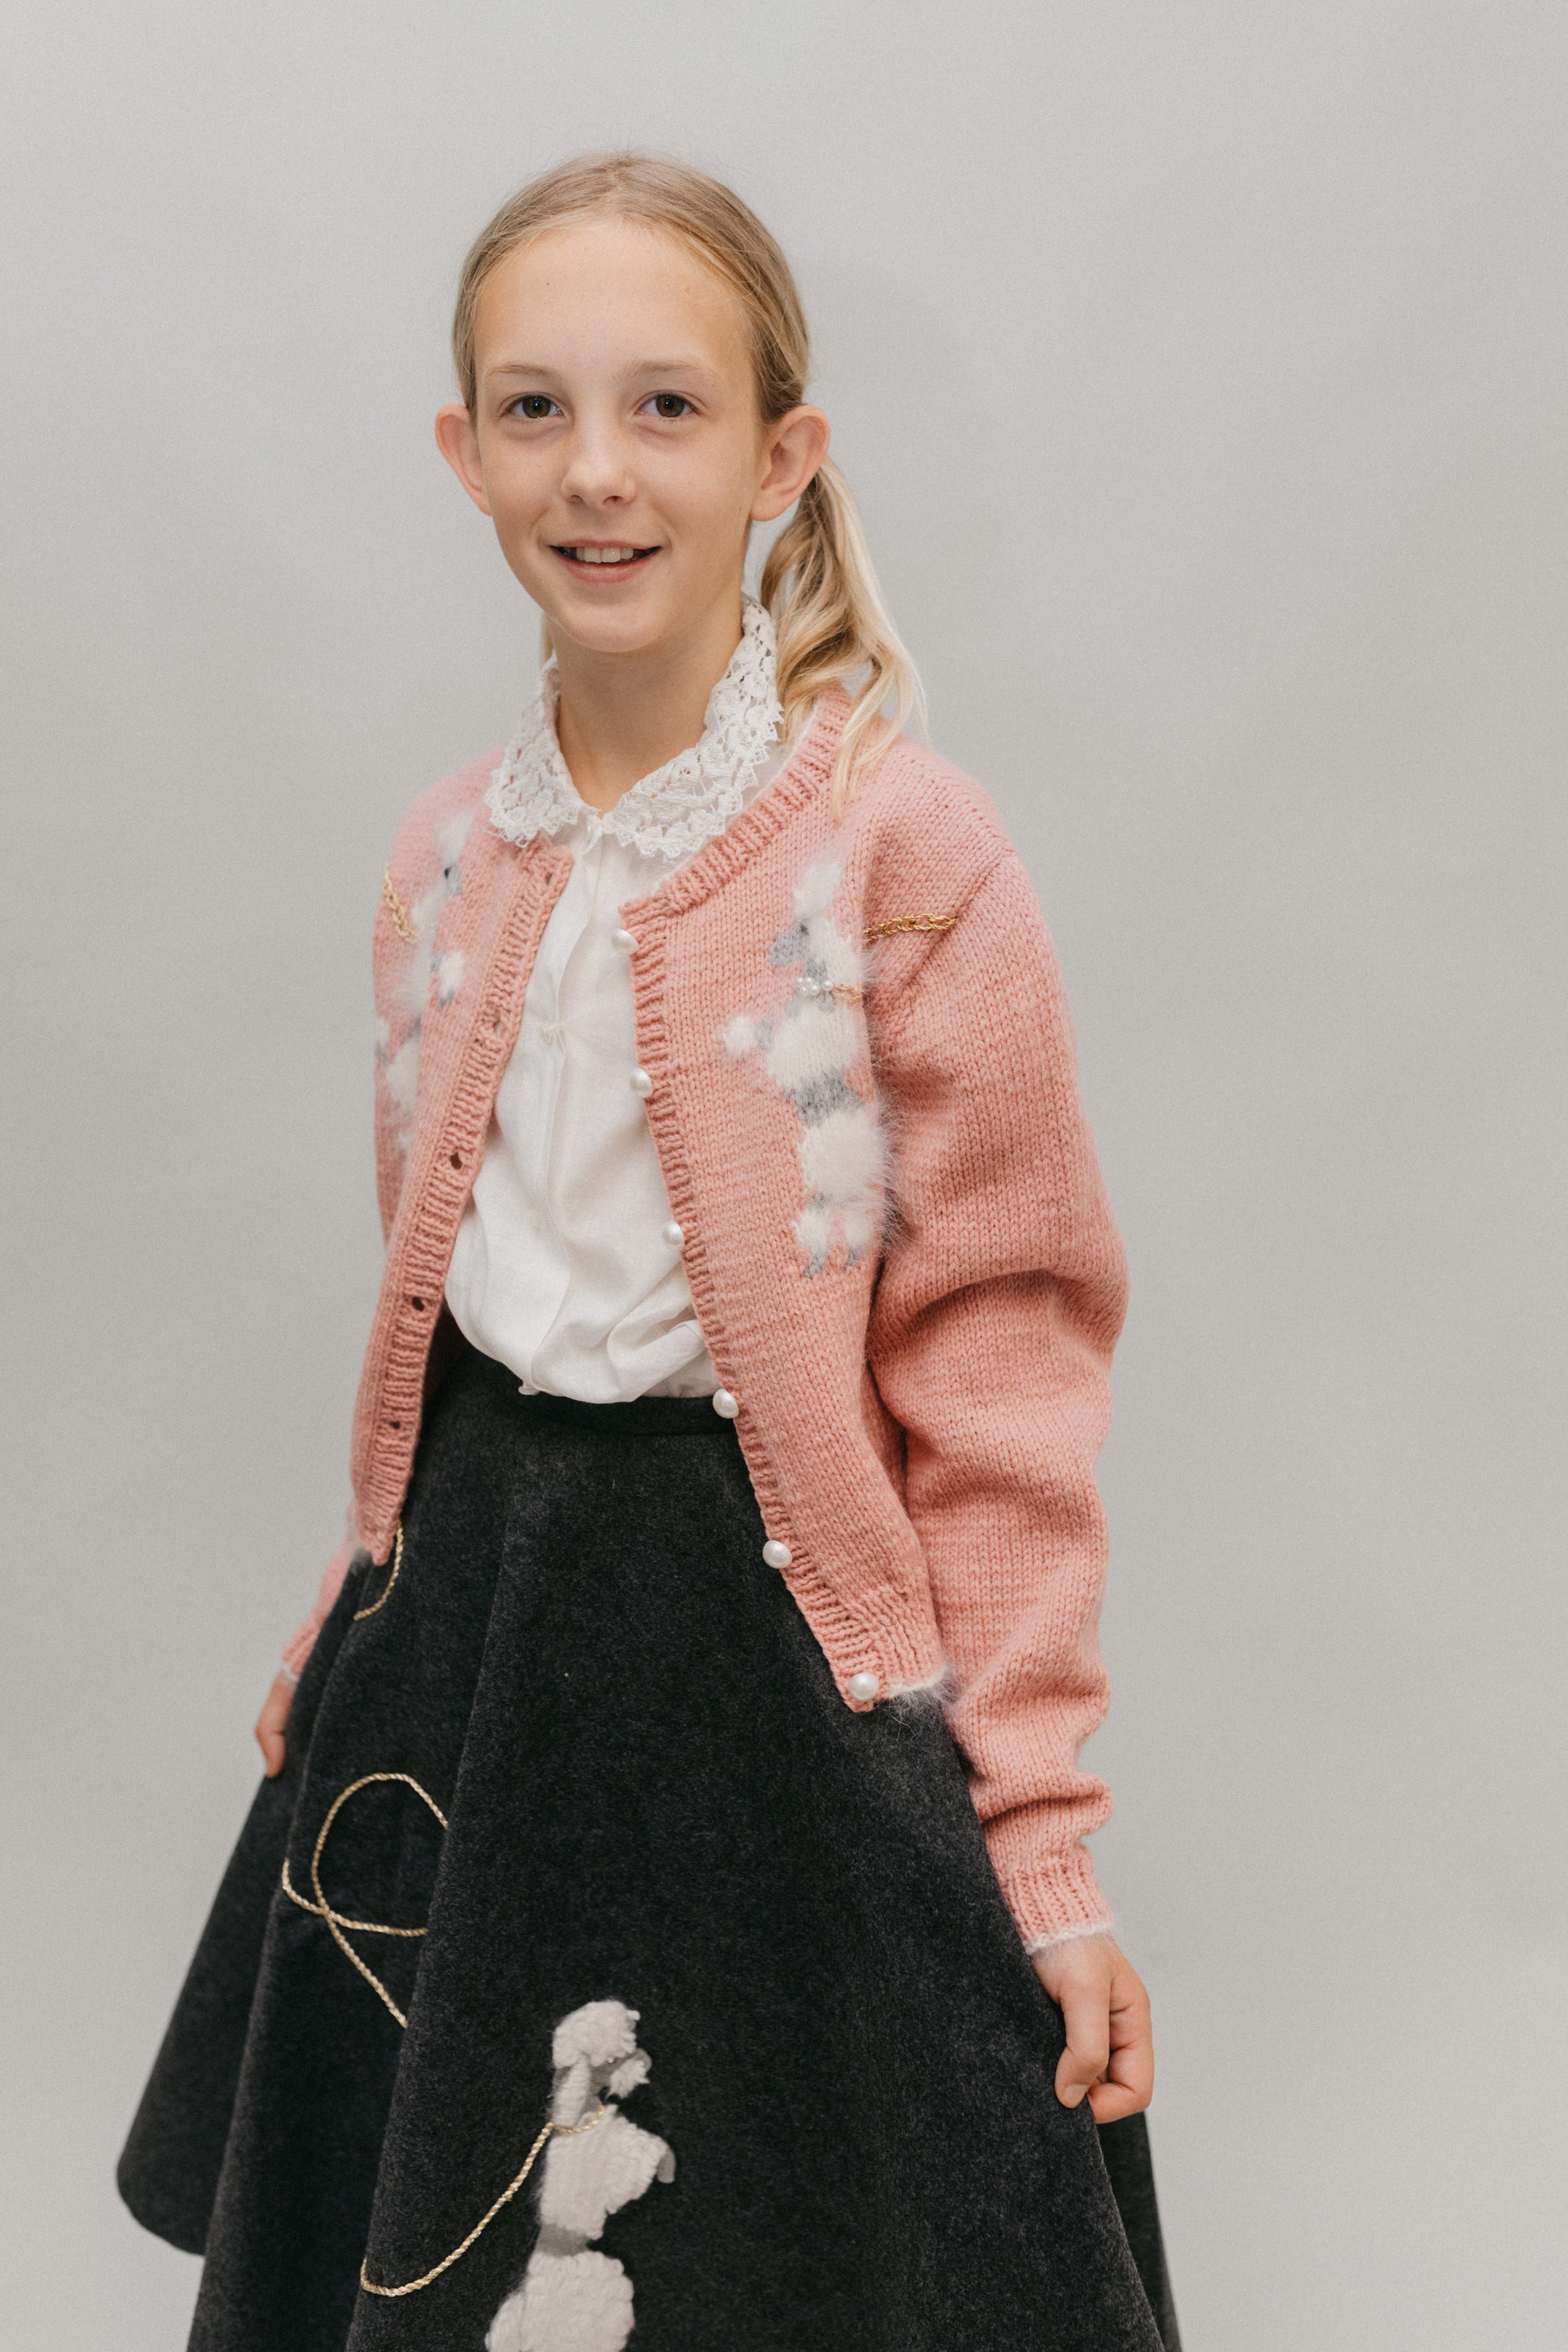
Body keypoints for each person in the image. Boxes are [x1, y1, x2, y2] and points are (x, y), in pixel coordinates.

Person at [118, 150, 1181, 2352]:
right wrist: (358, 1599)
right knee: (454, 2237)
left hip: (766, 1657)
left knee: (780, 2244)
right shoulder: (442, 865)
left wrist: (1047, 1848)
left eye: (669, 410)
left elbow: (1002, 1371)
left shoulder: (910, 859)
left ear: (784, 457)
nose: (596, 472)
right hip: (469, 1651)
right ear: (464, 452)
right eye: (533, 410)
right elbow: (434, 1309)